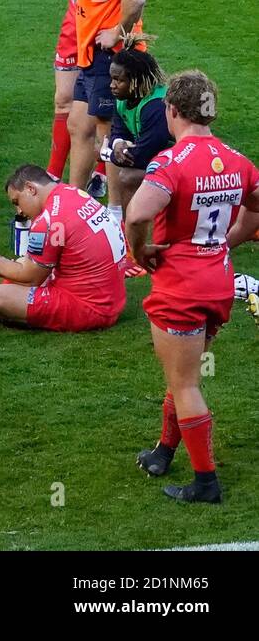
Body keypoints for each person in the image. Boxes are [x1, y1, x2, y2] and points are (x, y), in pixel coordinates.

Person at [125, 71, 259, 503]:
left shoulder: (170, 163)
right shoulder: (238, 161)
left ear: (172, 111)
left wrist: (139, 251)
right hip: (218, 283)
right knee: (182, 373)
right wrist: (226, 242)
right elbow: (256, 209)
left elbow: (137, 213)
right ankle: (164, 451)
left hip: (180, 287)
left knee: (185, 384)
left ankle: (206, 483)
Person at [43, 0, 150, 196]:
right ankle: (73, 202)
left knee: (109, 134)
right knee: (78, 124)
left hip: (108, 55)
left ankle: (115, 209)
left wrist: (119, 30)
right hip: (88, 47)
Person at [0, 164, 126, 331]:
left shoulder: (48, 220)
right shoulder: (72, 193)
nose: (19, 211)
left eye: (17, 201)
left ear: (30, 188)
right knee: (18, 269)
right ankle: (0, 315)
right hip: (112, 298)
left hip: (91, 308)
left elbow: (30, 278)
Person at [107, 45, 171, 244]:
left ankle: (135, 241)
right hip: (165, 158)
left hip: (183, 163)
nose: (112, 85)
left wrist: (111, 154)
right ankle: (132, 237)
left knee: (128, 176)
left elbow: (141, 157)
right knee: (127, 174)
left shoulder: (156, 106)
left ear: (136, 81)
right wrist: (118, 144)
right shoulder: (124, 98)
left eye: (119, 80)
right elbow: (118, 129)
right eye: (112, 78)